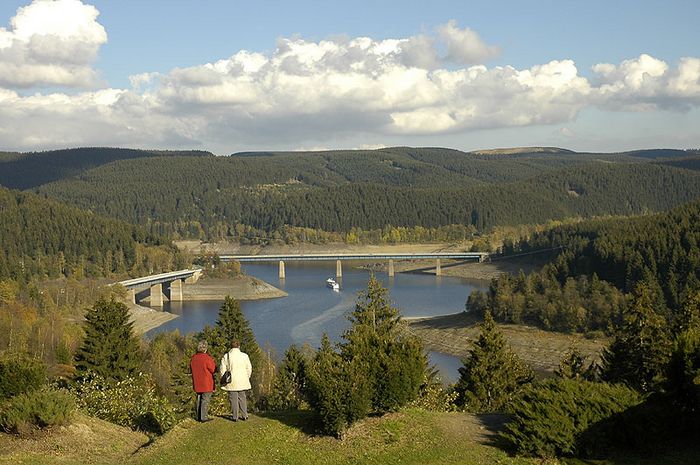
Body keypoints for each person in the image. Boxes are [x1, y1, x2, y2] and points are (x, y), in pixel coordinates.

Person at [220, 339, 252, 421]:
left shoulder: (226, 356)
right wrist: (246, 377)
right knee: (242, 397)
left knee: (233, 398)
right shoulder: (245, 356)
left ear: (231, 346)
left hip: (232, 381)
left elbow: (222, 370)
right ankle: (245, 415)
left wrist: (223, 379)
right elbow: (249, 368)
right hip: (242, 380)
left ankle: (235, 416)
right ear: (239, 346)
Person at [190, 340, 216, 422]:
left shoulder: (193, 358)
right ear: (205, 349)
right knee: (205, 400)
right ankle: (203, 417)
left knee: (199, 398)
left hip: (197, 382)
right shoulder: (207, 358)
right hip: (206, 382)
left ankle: (198, 416)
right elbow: (213, 369)